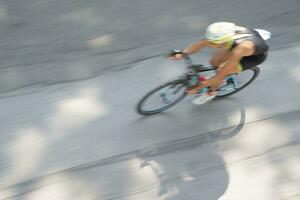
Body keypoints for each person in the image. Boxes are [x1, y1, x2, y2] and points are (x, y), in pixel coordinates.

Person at [171, 22, 269, 104]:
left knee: (221, 70)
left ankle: (211, 92)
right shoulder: (222, 33)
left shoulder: (241, 48)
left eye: (214, 43)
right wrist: (183, 53)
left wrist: (198, 87)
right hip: (240, 43)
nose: (210, 44)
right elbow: (201, 43)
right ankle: (212, 81)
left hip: (253, 57)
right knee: (214, 61)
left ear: (224, 41)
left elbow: (221, 74)